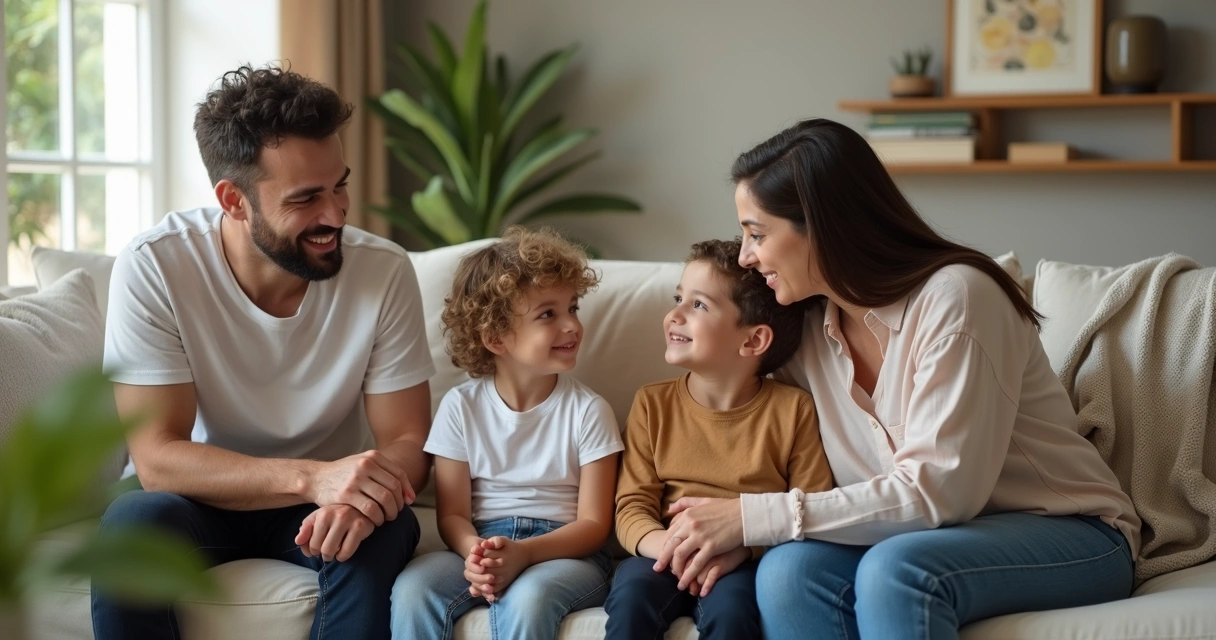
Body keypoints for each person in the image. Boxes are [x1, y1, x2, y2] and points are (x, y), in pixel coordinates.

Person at [653, 119, 1141, 640]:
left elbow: (940, 491)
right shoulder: (809, 329)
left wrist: (753, 518)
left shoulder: (958, 298)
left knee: (896, 572)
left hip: (1070, 533)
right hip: (913, 539)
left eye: (757, 234)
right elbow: (735, 389)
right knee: (786, 573)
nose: (747, 256)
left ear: (822, 225)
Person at [93, 64, 435, 640]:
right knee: (133, 526)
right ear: (233, 200)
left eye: (340, 186)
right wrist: (312, 478)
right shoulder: (156, 265)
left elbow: (407, 440)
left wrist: (362, 495)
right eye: (306, 199)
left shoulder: (383, 271)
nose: (335, 215)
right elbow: (157, 459)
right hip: (195, 499)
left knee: (382, 528)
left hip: (323, 510)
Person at [389, 227, 623, 640]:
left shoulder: (589, 411)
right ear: (496, 338)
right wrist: (476, 555)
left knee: (531, 597)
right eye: (548, 314)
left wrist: (525, 553)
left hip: (565, 552)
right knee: (414, 588)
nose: (571, 325)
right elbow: (453, 514)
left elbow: (594, 525)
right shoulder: (459, 408)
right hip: (482, 541)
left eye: (573, 307)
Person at [604, 238, 833, 640]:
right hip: (660, 553)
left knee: (733, 614)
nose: (674, 315)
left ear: (753, 341)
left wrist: (744, 548)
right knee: (631, 598)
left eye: (698, 305)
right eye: (678, 298)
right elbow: (630, 507)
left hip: (741, 560)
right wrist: (670, 548)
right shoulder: (651, 404)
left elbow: (810, 509)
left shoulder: (793, 411)